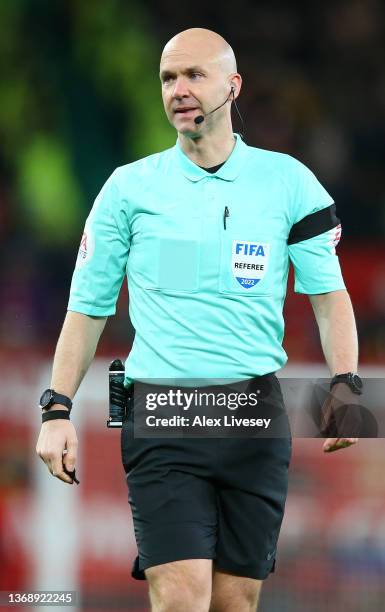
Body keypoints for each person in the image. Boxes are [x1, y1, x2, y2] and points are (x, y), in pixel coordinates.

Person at [36, 28, 362, 612]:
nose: (178, 90)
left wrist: (345, 384)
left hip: (254, 417)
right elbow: (86, 307)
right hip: (162, 415)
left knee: (235, 602)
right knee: (180, 596)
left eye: (194, 76)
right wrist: (57, 408)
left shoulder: (289, 183)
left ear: (233, 87)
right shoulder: (127, 190)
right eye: (167, 78)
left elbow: (329, 295)